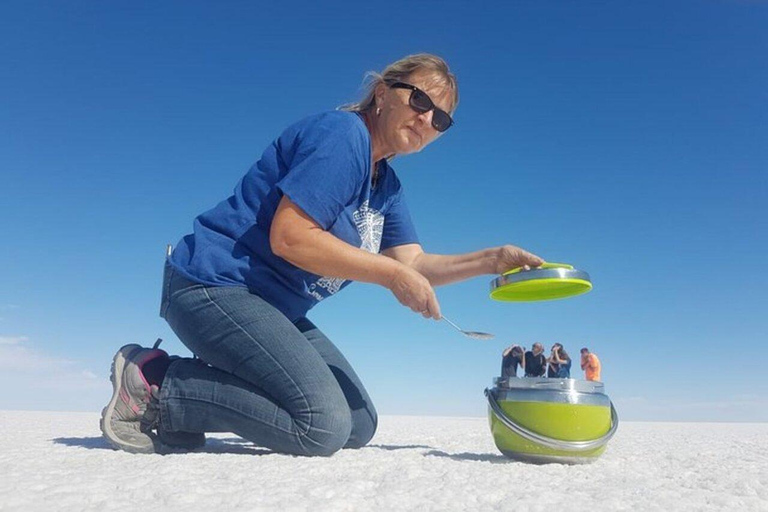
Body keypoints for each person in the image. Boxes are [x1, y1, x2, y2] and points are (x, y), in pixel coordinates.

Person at [100, 54, 545, 457]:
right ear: (382, 94)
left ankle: (196, 404)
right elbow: (290, 238)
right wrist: (390, 276)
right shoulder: (343, 136)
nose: (427, 118)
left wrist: (493, 258)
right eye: (420, 100)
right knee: (321, 426)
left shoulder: (386, 185)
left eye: (442, 119)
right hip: (213, 286)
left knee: (358, 423)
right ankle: (159, 385)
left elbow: (412, 263)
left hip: (273, 308)